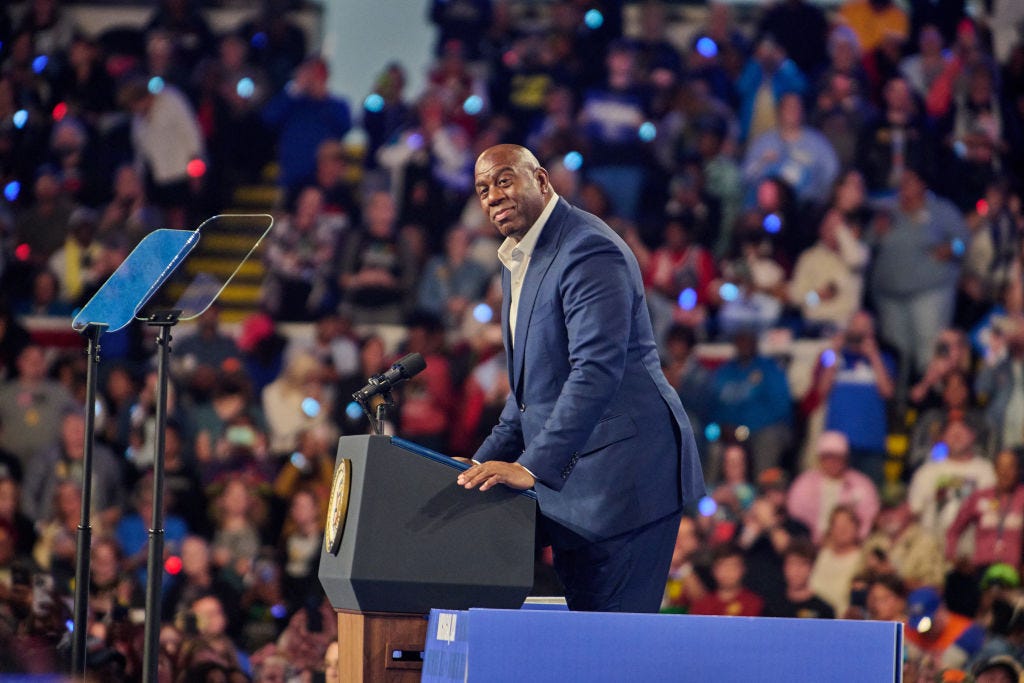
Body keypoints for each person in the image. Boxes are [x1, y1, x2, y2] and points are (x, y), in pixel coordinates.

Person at [457, 144, 705, 613]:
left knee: (611, 654)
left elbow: (596, 370)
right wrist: (472, 469)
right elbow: (528, 396)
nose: (493, 195)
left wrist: (529, 468)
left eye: (505, 180)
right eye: (483, 189)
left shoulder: (588, 248)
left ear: (543, 181)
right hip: (575, 489)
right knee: (588, 646)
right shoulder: (519, 259)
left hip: (626, 484)